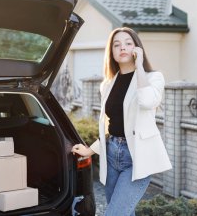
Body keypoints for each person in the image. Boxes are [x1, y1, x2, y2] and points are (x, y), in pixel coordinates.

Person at [71, 27, 172, 216]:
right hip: (111, 155)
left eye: (128, 43)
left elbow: (147, 101)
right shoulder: (108, 84)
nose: (122, 48)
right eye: (116, 45)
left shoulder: (153, 78)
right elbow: (111, 127)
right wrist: (89, 150)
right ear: (112, 52)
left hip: (137, 158)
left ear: (137, 48)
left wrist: (139, 66)